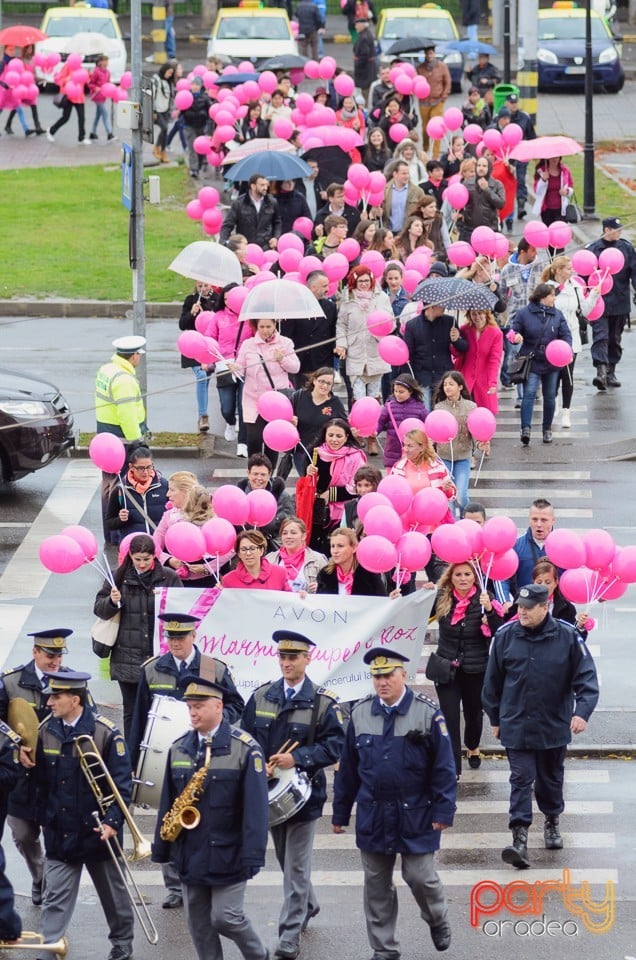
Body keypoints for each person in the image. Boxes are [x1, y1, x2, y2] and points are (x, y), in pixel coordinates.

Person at [332, 648, 456, 954]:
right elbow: (349, 768)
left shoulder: (427, 713)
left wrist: (443, 810)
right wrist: (340, 812)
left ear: (404, 675)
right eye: (376, 676)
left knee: (420, 877)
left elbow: (444, 768)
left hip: (416, 812)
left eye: (388, 675)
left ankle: (437, 917)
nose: (382, 682)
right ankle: (384, 948)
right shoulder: (360, 713)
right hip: (373, 812)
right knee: (376, 885)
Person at [129, 611, 244, 908]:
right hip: (167, 755)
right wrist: (132, 761)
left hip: (205, 751)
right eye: (171, 637)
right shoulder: (153, 669)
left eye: (181, 637)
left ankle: (201, 873)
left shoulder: (213, 668)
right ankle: (174, 887)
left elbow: (235, 705)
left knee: (204, 811)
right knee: (169, 813)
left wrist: (218, 723)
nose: (175, 642)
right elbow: (138, 715)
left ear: (194, 636)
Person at [241, 630, 345, 960]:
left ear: (307, 659)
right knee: (287, 862)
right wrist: (260, 765)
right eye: (283, 657)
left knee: (296, 867)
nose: (287, 663)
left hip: (304, 797)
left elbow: (336, 746)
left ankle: (289, 936)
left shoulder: (324, 703)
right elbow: (244, 740)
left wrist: (297, 758)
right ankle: (308, 904)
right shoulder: (261, 698)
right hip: (268, 794)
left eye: (293, 657)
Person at [482, 583, 599, 869]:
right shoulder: (505, 636)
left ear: (544, 607)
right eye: (519, 607)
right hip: (517, 723)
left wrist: (582, 712)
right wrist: (495, 719)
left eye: (527, 608)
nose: (520, 612)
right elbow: (492, 683)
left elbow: (586, 679)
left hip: (553, 723)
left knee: (550, 779)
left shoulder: (568, 637)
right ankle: (519, 837)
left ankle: (552, 820)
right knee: (520, 779)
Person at [152, 678, 269, 960]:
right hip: (190, 852)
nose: (192, 712)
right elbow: (167, 802)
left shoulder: (245, 748)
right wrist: (162, 847)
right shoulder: (179, 747)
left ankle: (258, 954)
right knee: (199, 925)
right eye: (190, 707)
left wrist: (253, 855)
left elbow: (256, 809)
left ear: (218, 707)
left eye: (199, 706)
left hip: (229, 852)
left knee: (226, 917)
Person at [34, 671, 135, 960]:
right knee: (54, 899)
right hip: (60, 831)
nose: (50, 702)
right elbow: (40, 783)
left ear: (74, 699)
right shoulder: (45, 730)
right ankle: (48, 948)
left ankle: (122, 944)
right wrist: (44, 819)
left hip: (97, 832)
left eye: (56, 696)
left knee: (114, 898)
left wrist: (113, 822)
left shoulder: (105, 733)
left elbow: (121, 786)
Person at [0, 629, 80, 908]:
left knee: (57, 833)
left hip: (57, 774)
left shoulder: (71, 682)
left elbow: (85, 721)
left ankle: (53, 889)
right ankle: (39, 876)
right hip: (20, 776)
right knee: (23, 835)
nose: (55, 661)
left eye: (58, 655)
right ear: (35, 652)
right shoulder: (10, 682)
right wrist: (13, 746)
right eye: (49, 655)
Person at [93, 534, 182, 740]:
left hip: (158, 656)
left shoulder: (169, 577)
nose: (142, 564)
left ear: (154, 557)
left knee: (160, 711)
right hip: (127, 656)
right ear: (130, 557)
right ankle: (132, 760)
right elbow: (99, 609)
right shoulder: (116, 578)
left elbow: (181, 610)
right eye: (137, 559)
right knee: (132, 712)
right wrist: (112, 602)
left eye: (146, 559)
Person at [430, 563, 504, 779]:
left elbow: (499, 631)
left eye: (467, 574)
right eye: (458, 574)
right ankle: (453, 768)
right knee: (450, 717)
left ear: (474, 577)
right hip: (447, 668)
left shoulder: (484, 597)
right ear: (450, 578)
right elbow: (417, 614)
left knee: (473, 715)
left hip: (476, 668)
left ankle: (472, 745)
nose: (463, 578)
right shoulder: (442, 597)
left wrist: (490, 610)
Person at [229, 317, 299, 470]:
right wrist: (235, 367)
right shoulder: (248, 344)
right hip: (253, 399)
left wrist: (282, 359)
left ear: (275, 325)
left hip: (275, 401)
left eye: (268, 326)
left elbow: (295, 367)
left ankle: (269, 476)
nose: (265, 330)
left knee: (272, 440)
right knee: (254, 438)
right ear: (256, 327)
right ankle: (253, 473)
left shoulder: (285, 343)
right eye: (261, 326)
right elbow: (241, 366)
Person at [541, 257, 601, 426]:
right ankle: (553, 406)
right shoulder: (547, 289)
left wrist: (595, 295)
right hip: (552, 339)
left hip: (571, 338)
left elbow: (584, 311)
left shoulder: (576, 287)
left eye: (572, 268)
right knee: (552, 376)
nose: (571, 271)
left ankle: (566, 411)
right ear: (558, 271)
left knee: (567, 375)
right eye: (568, 268)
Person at [511, 282, 572, 445]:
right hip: (532, 360)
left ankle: (547, 429)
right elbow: (512, 330)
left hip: (552, 361)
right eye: (552, 295)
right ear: (542, 297)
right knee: (529, 394)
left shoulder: (557, 314)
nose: (554, 298)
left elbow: (566, 335)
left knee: (550, 396)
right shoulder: (524, 313)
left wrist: (568, 350)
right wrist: (514, 337)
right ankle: (525, 429)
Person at [335, 265, 392, 424]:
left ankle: (373, 432)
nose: (364, 284)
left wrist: (381, 331)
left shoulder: (381, 298)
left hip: (375, 352)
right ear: (354, 281)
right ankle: (359, 429)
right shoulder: (348, 299)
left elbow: (391, 322)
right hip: (356, 354)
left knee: (374, 396)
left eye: (367, 281)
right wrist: (342, 345)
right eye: (360, 281)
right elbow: (341, 325)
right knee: (359, 397)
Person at [586, 216, 636, 390]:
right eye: (617, 229)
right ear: (606, 230)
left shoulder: (626, 248)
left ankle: (611, 371)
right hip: (598, 302)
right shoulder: (593, 249)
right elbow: (585, 273)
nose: (620, 232)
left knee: (614, 338)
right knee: (601, 336)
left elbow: (634, 272)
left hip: (620, 301)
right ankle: (600, 371)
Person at [307, 419, 367, 552]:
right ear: (325, 435)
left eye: (339, 436)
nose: (334, 439)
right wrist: (309, 474)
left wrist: (330, 494)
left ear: (346, 437)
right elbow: (307, 483)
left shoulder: (355, 457)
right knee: (314, 547)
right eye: (330, 435)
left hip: (343, 510)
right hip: (316, 507)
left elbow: (357, 487)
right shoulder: (315, 452)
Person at [206, 282, 253, 456]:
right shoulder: (218, 317)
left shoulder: (250, 317)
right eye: (225, 299)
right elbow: (209, 339)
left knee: (244, 404)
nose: (228, 302)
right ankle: (231, 422)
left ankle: (243, 443)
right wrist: (209, 360)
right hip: (224, 365)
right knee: (226, 406)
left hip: (246, 365)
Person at [432, 371, 482, 517]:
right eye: (445, 384)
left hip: (463, 458)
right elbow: (434, 431)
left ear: (460, 387)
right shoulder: (439, 407)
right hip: (443, 458)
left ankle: (469, 517)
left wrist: (480, 445)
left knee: (461, 496)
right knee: (448, 497)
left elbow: (475, 431)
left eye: (451, 384)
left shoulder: (471, 407)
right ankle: (451, 525)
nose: (447, 387)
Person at [402, 301, 467, 408]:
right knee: (425, 413)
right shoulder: (412, 325)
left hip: (443, 377)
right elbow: (407, 355)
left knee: (443, 413)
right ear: (431, 307)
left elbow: (464, 348)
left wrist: (456, 340)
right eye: (442, 305)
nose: (445, 308)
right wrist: (409, 381)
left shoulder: (450, 322)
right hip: (421, 377)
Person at [280, 272, 339, 388]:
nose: (327, 289)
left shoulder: (330, 307)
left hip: (323, 362)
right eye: (324, 286)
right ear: (313, 287)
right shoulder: (294, 307)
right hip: (301, 362)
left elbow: (333, 333)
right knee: (301, 398)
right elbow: (287, 335)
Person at [287, 368, 347, 477]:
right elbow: (285, 419)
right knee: (308, 483)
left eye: (328, 383)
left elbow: (344, 425)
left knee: (321, 487)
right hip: (302, 452)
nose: (324, 386)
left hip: (326, 454)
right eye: (322, 381)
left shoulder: (335, 403)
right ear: (314, 380)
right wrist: (290, 423)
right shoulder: (299, 397)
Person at [104, 445, 168, 543]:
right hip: (133, 549)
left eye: (149, 467)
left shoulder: (164, 485)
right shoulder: (120, 490)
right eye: (141, 468)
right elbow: (109, 523)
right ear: (131, 467)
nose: (146, 472)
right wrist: (120, 520)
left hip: (159, 547)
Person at [178, 280, 218, 433]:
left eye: (206, 285)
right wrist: (192, 313)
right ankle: (203, 415)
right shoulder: (190, 300)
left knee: (206, 379)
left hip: (211, 345)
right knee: (201, 376)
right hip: (193, 345)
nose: (203, 288)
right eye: (200, 286)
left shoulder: (218, 299)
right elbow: (182, 324)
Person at [390, 429, 456, 516]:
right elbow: (390, 495)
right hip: (407, 519)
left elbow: (452, 496)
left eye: (410, 446)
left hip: (432, 519)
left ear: (421, 447)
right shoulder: (398, 468)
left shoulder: (438, 467)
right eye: (404, 445)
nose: (405, 449)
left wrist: (447, 489)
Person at [450, 308, 503, 413]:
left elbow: (494, 360)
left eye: (480, 313)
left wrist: (492, 383)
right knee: (463, 414)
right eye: (473, 314)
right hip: (465, 378)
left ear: (486, 314)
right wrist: (454, 341)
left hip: (484, 380)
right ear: (469, 315)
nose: (477, 317)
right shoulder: (465, 330)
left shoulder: (496, 333)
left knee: (483, 415)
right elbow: (457, 353)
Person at [237, 454, 295, 550]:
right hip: (245, 550)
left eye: (263, 475)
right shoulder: (239, 496)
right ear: (248, 473)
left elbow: (291, 526)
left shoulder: (281, 496)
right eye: (255, 474)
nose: (259, 478)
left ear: (269, 475)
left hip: (272, 550)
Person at [95, 336, 147, 441]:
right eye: (139, 354)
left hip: (104, 429)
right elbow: (127, 415)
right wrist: (136, 441)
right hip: (121, 435)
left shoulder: (106, 369)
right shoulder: (125, 380)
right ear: (134, 356)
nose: (140, 357)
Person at [315, 527, 388, 596]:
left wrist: (393, 599)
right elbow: (319, 604)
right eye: (332, 546)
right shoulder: (325, 574)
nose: (335, 551)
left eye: (340, 546)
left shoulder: (369, 574)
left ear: (354, 548)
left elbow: (382, 602)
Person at [377, 374, 429, 469]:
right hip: (392, 451)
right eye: (395, 391)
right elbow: (380, 422)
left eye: (401, 392)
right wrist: (375, 431)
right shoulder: (389, 405)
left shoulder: (419, 407)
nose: (397, 394)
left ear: (410, 392)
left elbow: (428, 424)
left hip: (412, 453)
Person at [220, 174, 282, 250]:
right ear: (253, 186)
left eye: (266, 185)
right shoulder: (239, 203)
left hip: (265, 248)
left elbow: (277, 222)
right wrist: (224, 243)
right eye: (262, 185)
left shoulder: (272, 202)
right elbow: (227, 225)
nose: (265, 188)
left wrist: (276, 237)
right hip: (245, 249)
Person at [266, 518, 328, 593]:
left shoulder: (318, 560)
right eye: (284, 533)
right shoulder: (269, 559)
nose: (288, 536)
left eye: (293, 533)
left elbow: (329, 590)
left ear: (303, 536)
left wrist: (320, 588)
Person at [222, 529, 292, 591]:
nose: (248, 553)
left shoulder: (280, 573)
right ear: (239, 554)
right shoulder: (228, 580)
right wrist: (217, 594)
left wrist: (300, 596)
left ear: (261, 550)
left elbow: (290, 600)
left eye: (252, 549)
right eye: (243, 549)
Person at [456, 156, 505, 242]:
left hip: (489, 228)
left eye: (484, 166)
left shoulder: (497, 184)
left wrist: (487, 189)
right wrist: (459, 214)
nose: (481, 168)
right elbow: (461, 202)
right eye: (479, 165)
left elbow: (501, 204)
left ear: (489, 168)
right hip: (469, 229)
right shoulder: (467, 183)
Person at [416, 43, 452, 158]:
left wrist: (444, 96)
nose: (429, 55)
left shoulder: (442, 66)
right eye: (427, 53)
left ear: (434, 54)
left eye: (431, 53)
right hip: (424, 102)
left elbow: (447, 82)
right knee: (425, 127)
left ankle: (435, 154)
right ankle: (426, 149)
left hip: (438, 101)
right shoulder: (420, 68)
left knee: (437, 127)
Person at [505, 94, 536, 221]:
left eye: (515, 102)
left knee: (521, 179)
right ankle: (508, 208)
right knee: (508, 180)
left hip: (522, 153)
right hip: (507, 155)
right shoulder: (502, 117)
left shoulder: (524, 117)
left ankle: (521, 206)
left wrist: (531, 150)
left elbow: (531, 136)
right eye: (511, 103)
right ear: (507, 103)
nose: (513, 105)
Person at [46, 59, 91, 145]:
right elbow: (59, 80)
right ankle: (51, 131)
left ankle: (81, 137)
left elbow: (86, 81)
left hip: (79, 96)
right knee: (65, 118)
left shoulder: (81, 68)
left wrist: (87, 76)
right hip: (69, 95)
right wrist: (68, 79)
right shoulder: (67, 66)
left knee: (81, 117)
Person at [512, 498, 555, 586]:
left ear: (553, 520)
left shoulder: (562, 547)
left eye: (544, 520)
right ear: (529, 519)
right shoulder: (516, 546)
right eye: (535, 519)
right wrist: (506, 599)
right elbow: (504, 578)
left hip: (554, 599)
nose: (538, 524)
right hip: (524, 599)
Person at [381, 160, 426, 234]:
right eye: (404, 174)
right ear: (395, 174)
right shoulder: (385, 190)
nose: (407, 176)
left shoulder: (417, 191)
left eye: (408, 173)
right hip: (389, 233)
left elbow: (424, 211)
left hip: (408, 233)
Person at [181, 75, 212, 179]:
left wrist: (208, 124)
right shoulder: (186, 96)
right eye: (193, 84)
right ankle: (193, 169)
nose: (195, 87)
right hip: (189, 125)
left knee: (200, 148)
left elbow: (210, 112)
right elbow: (181, 110)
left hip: (201, 126)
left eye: (197, 84)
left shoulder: (205, 98)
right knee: (192, 148)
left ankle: (199, 165)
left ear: (201, 86)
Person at [533, 157, 574, 228]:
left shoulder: (565, 170)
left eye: (557, 157)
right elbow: (537, 191)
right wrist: (543, 180)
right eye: (552, 158)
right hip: (547, 211)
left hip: (561, 210)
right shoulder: (541, 171)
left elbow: (571, 187)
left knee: (560, 234)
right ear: (548, 158)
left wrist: (567, 191)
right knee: (549, 233)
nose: (555, 159)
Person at [150, 61, 176, 163]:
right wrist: (153, 110)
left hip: (166, 109)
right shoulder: (155, 80)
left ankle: (163, 151)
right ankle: (157, 148)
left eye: (171, 73)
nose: (169, 75)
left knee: (165, 131)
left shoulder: (169, 82)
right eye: (168, 72)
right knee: (164, 128)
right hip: (158, 110)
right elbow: (151, 96)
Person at [88, 55, 116, 142]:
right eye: (105, 61)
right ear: (100, 62)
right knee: (105, 114)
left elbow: (108, 84)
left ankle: (92, 133)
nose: (106, 63)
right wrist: (95, 87)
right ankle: (109, 134)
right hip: (97, 96)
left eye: (107, 61)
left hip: (103, 96)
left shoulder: (108, 72)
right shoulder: (96, 72)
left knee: (98, 115)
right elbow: (90, 83)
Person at [352, 17, 376, 101]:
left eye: (357, 25)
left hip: (365, 69)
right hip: (368, 68)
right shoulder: (366, 34)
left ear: (362, 25)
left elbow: (364, 54)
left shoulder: (364, 37)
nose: (356, 27)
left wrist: (357, 63)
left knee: (366, 90)